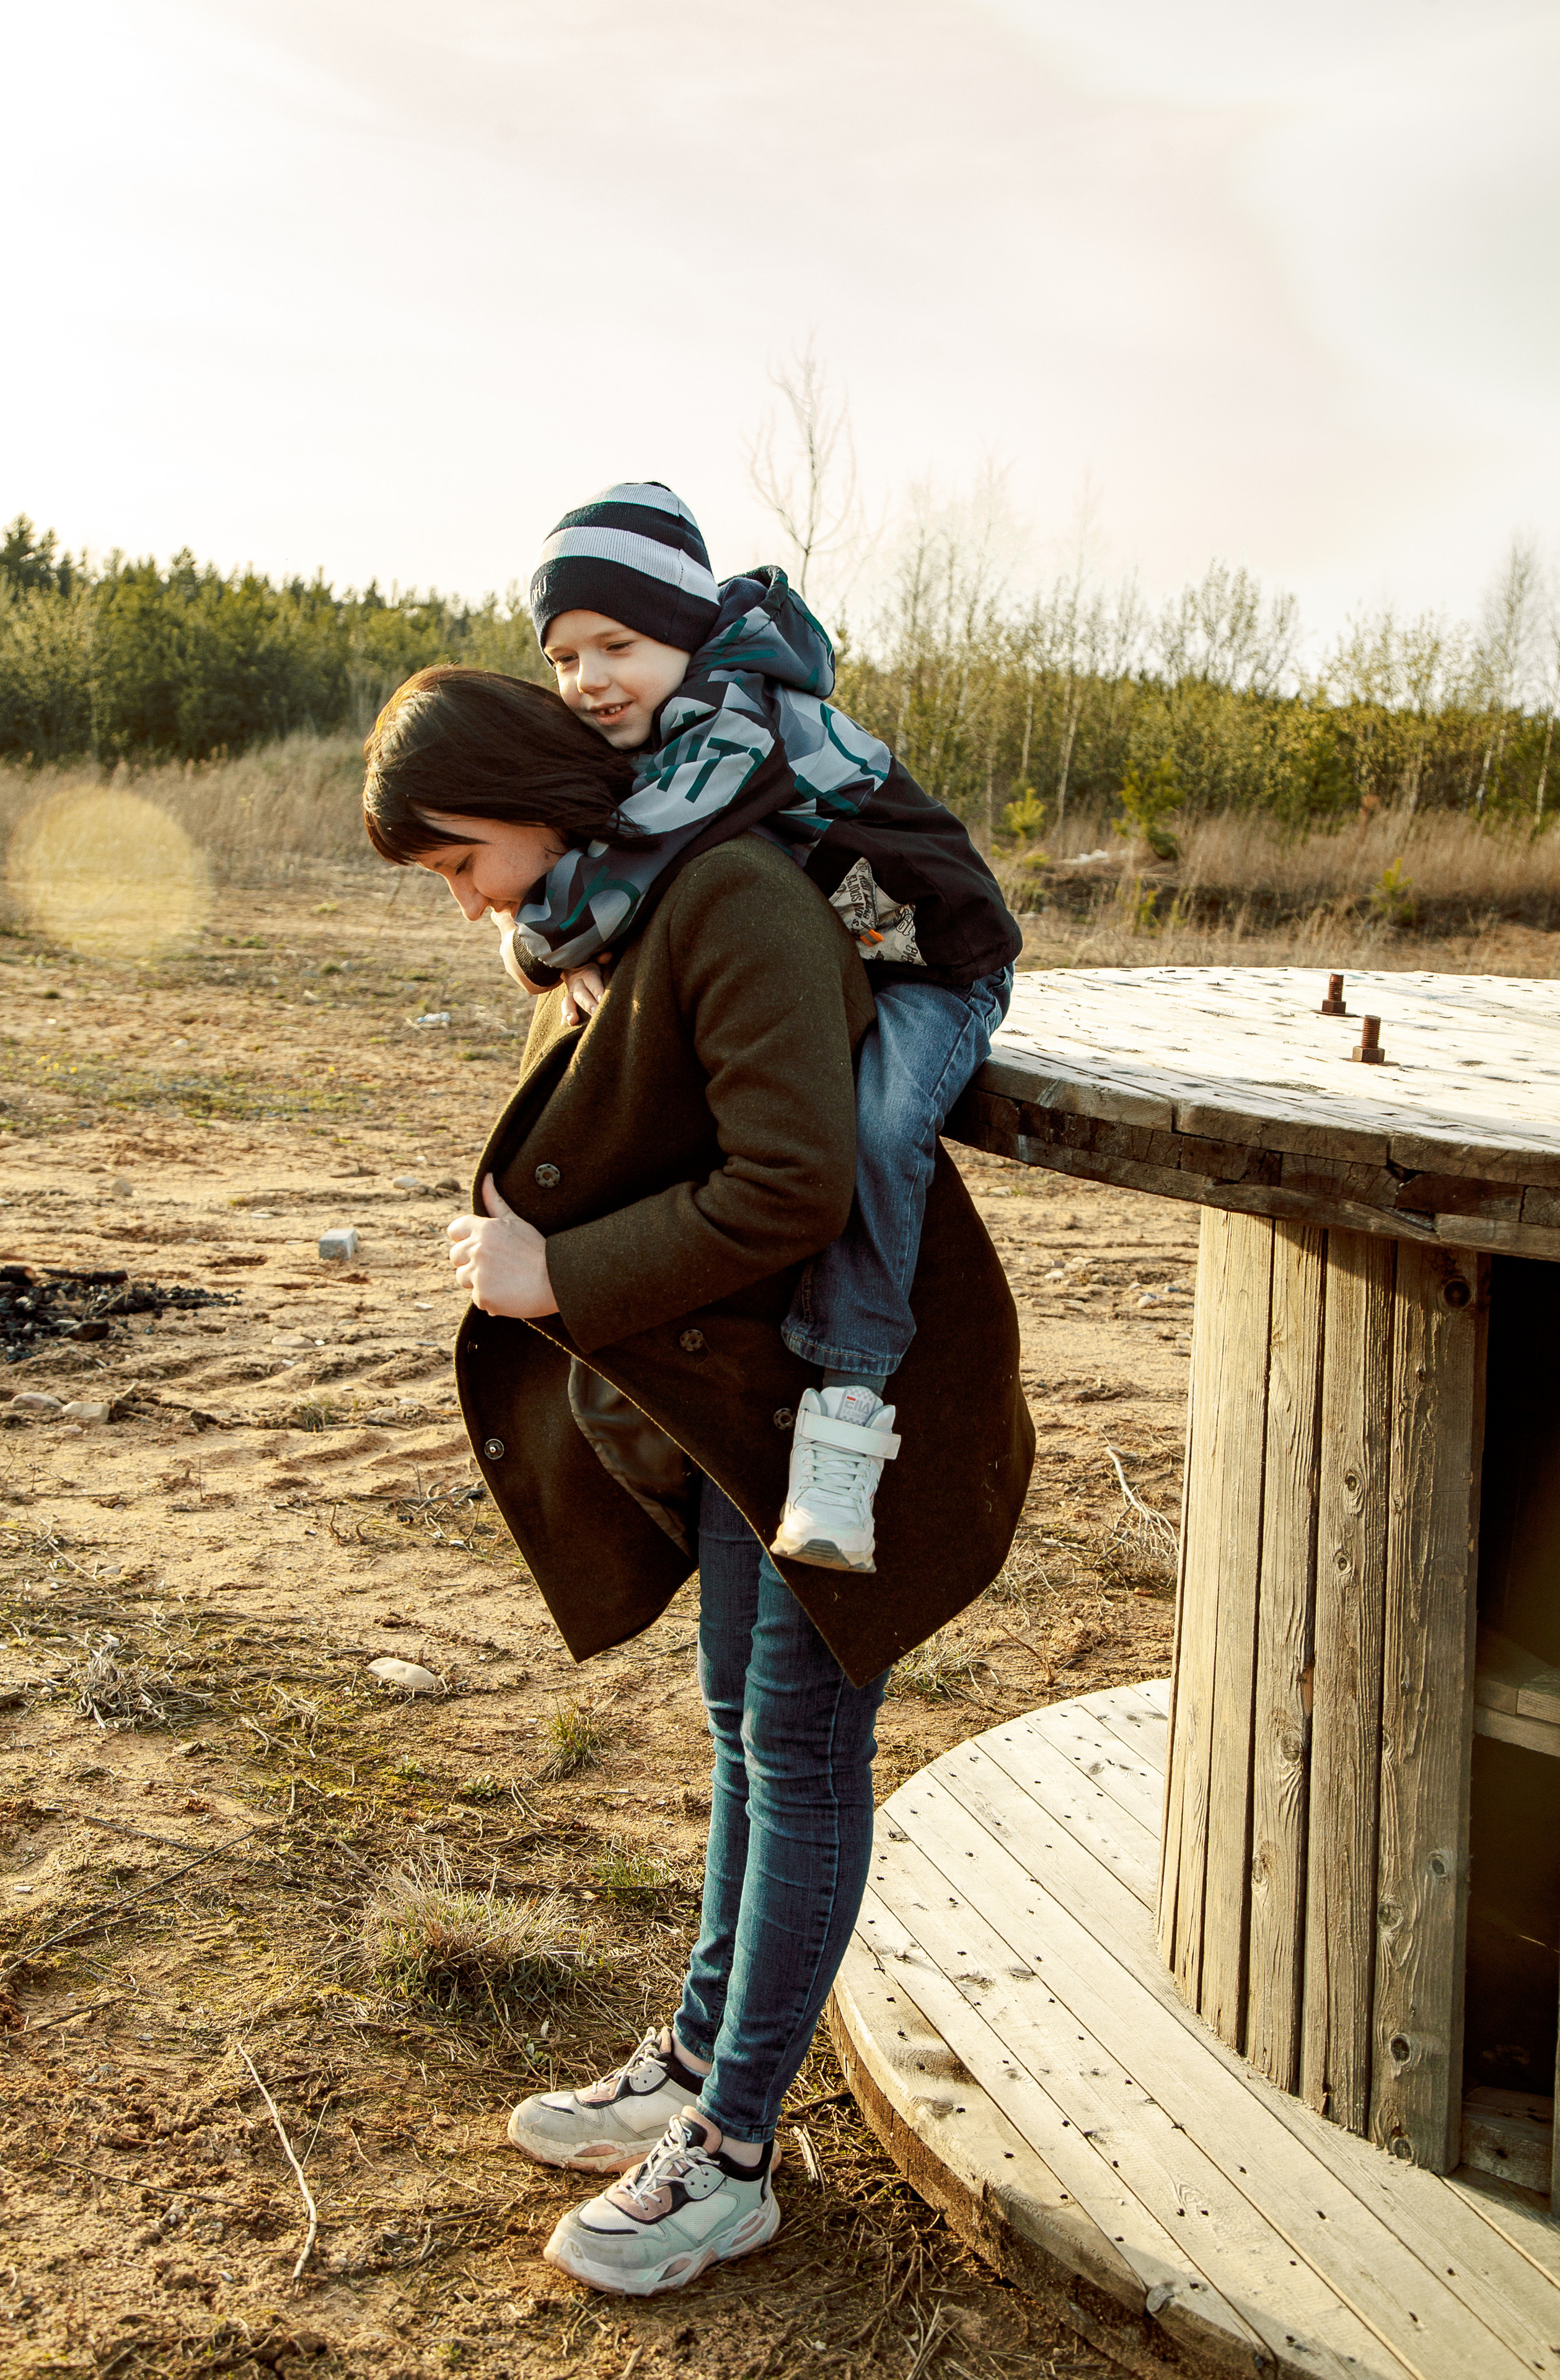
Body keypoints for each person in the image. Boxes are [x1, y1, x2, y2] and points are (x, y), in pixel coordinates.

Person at [361, 666, 1034, 2298]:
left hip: (846, 1412)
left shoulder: (729, 897)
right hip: (750, 1400)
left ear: (528, 803)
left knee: (796, 1749)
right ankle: (695, 2061)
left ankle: (731, 2160)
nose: (463, 902)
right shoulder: (626, 911)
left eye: (458, 861)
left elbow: (795, 1184)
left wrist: (557, 1275)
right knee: (747, 1726)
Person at [509, 482, 1023, 1576]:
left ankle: (847, 1410)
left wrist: (543, 936)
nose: (590, 679)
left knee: (877, 1131)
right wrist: (538, 928)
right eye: (563, 657)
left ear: (685, 633)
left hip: (937, 966)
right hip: (845, 961)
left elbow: (643, 853)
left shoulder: (736, 721)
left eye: (617, 645)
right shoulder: (653, 723)